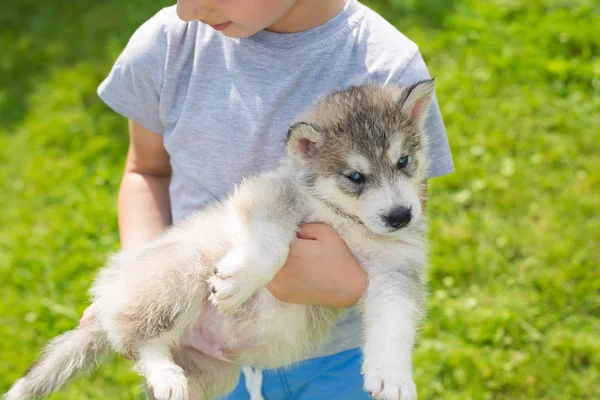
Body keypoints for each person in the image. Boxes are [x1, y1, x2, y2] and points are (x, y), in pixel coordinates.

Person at [80, 0, 455, 398]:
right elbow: (146, 170)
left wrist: (351, 285)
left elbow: (399, 234)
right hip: (198, 339)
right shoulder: (166, 46)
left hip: (336, 356)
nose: (189, 10)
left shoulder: (389, 66)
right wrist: (142, 279)